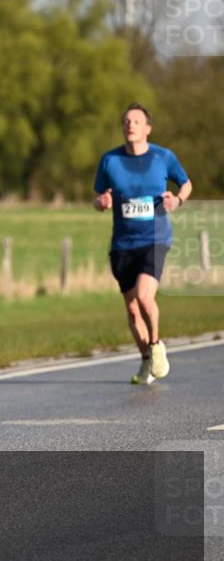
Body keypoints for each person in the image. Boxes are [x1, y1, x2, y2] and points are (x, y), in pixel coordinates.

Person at [93, 102, 192, 384]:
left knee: (145, 297)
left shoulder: (163, 157)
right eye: (126, 121)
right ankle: (146, 360)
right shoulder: (109, 161)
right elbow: (99, 197)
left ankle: (157, 344)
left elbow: (186, 183)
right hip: (123, 243)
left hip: (155, 238)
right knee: (132, 306)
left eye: (136, 121)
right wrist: (101, 203)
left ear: (147, 129)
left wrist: (178, 199)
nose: (130, 125)